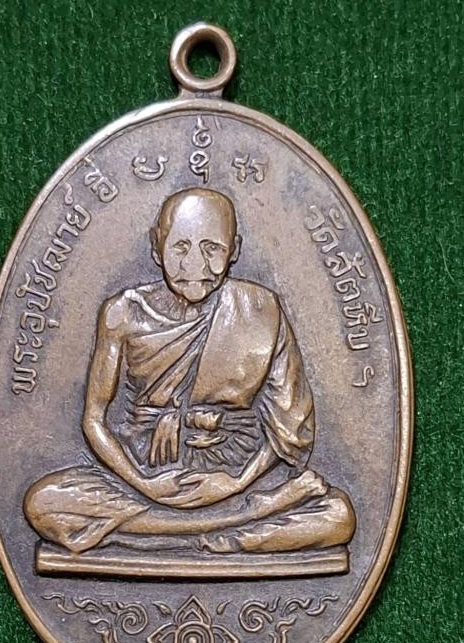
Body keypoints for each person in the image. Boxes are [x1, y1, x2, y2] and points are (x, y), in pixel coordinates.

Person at [24, 188, 355, 554]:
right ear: (157, 247)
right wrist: (145, 484)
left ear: (234, 250)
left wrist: (235, 483)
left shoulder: (262, 309)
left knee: (339, 517)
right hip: (141, 480)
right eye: (180, 247)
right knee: (44, 503)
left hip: (235, 477)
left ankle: (162, 533)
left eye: (212, 249)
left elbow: (290, 430)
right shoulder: (122, 313)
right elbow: (94, 421)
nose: (195, 266)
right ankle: (241, 524)